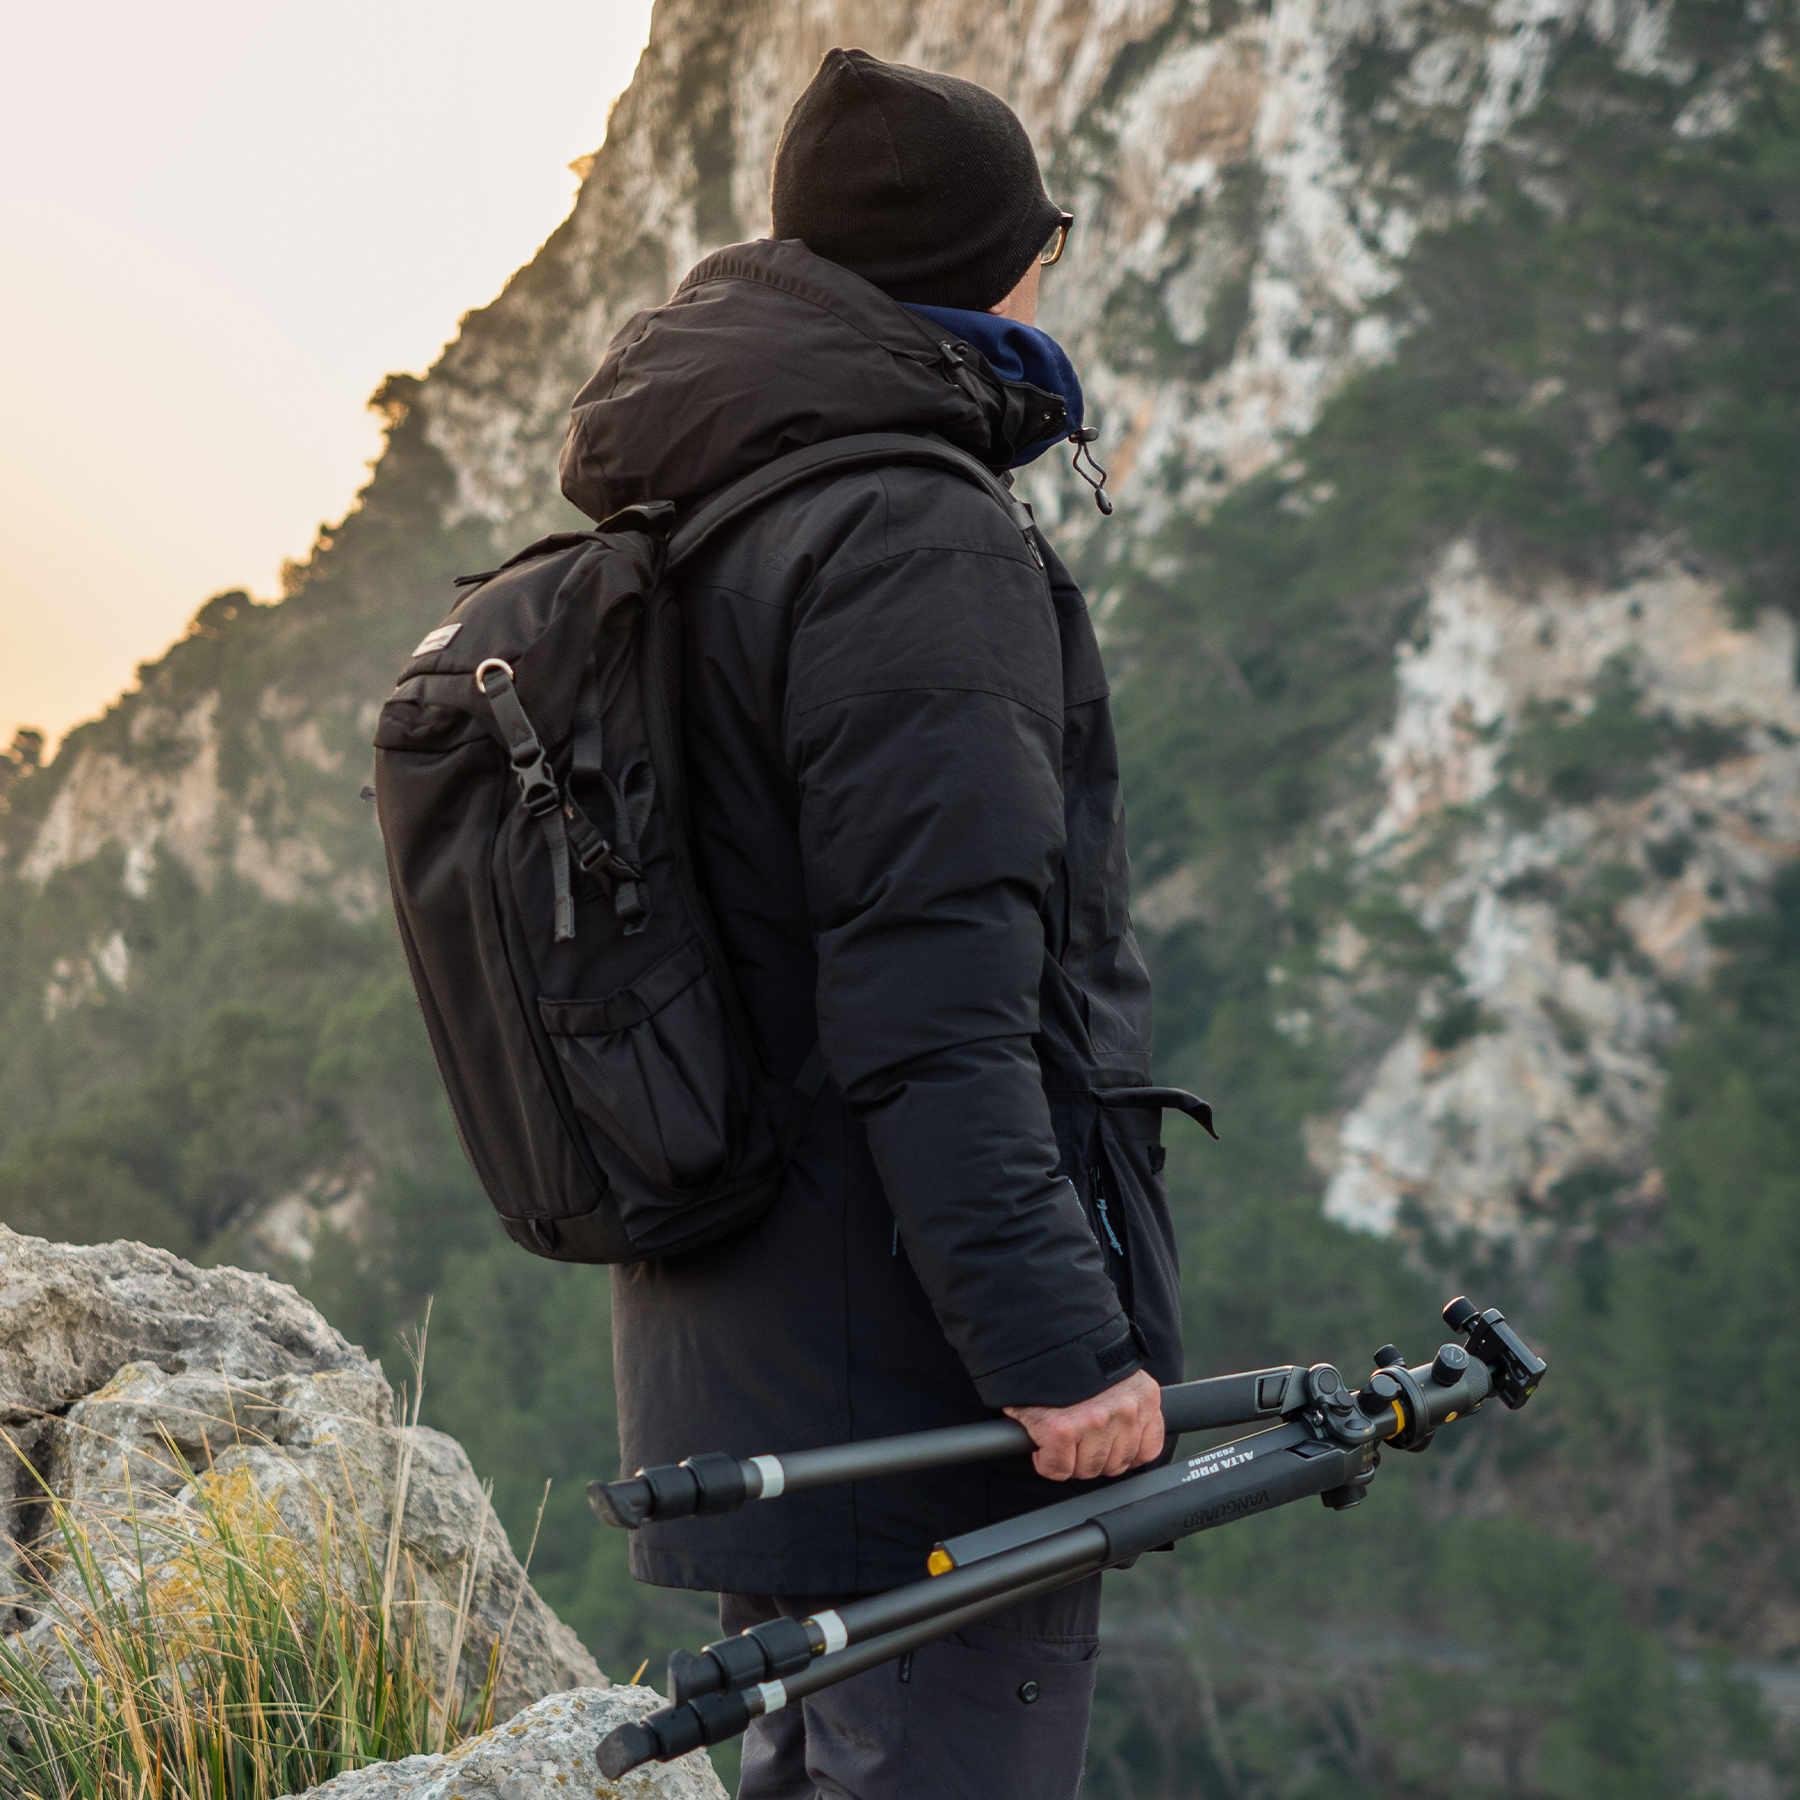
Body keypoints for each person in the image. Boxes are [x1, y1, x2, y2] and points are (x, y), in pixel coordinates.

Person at [557, 45, 1184, 1799]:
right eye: (1042, 235)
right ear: (992, 264)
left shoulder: (708, 515)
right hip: (922, 1386)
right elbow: (937, 1005)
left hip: (757, 1365)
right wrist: (1064, 1354)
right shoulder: (912, 539)